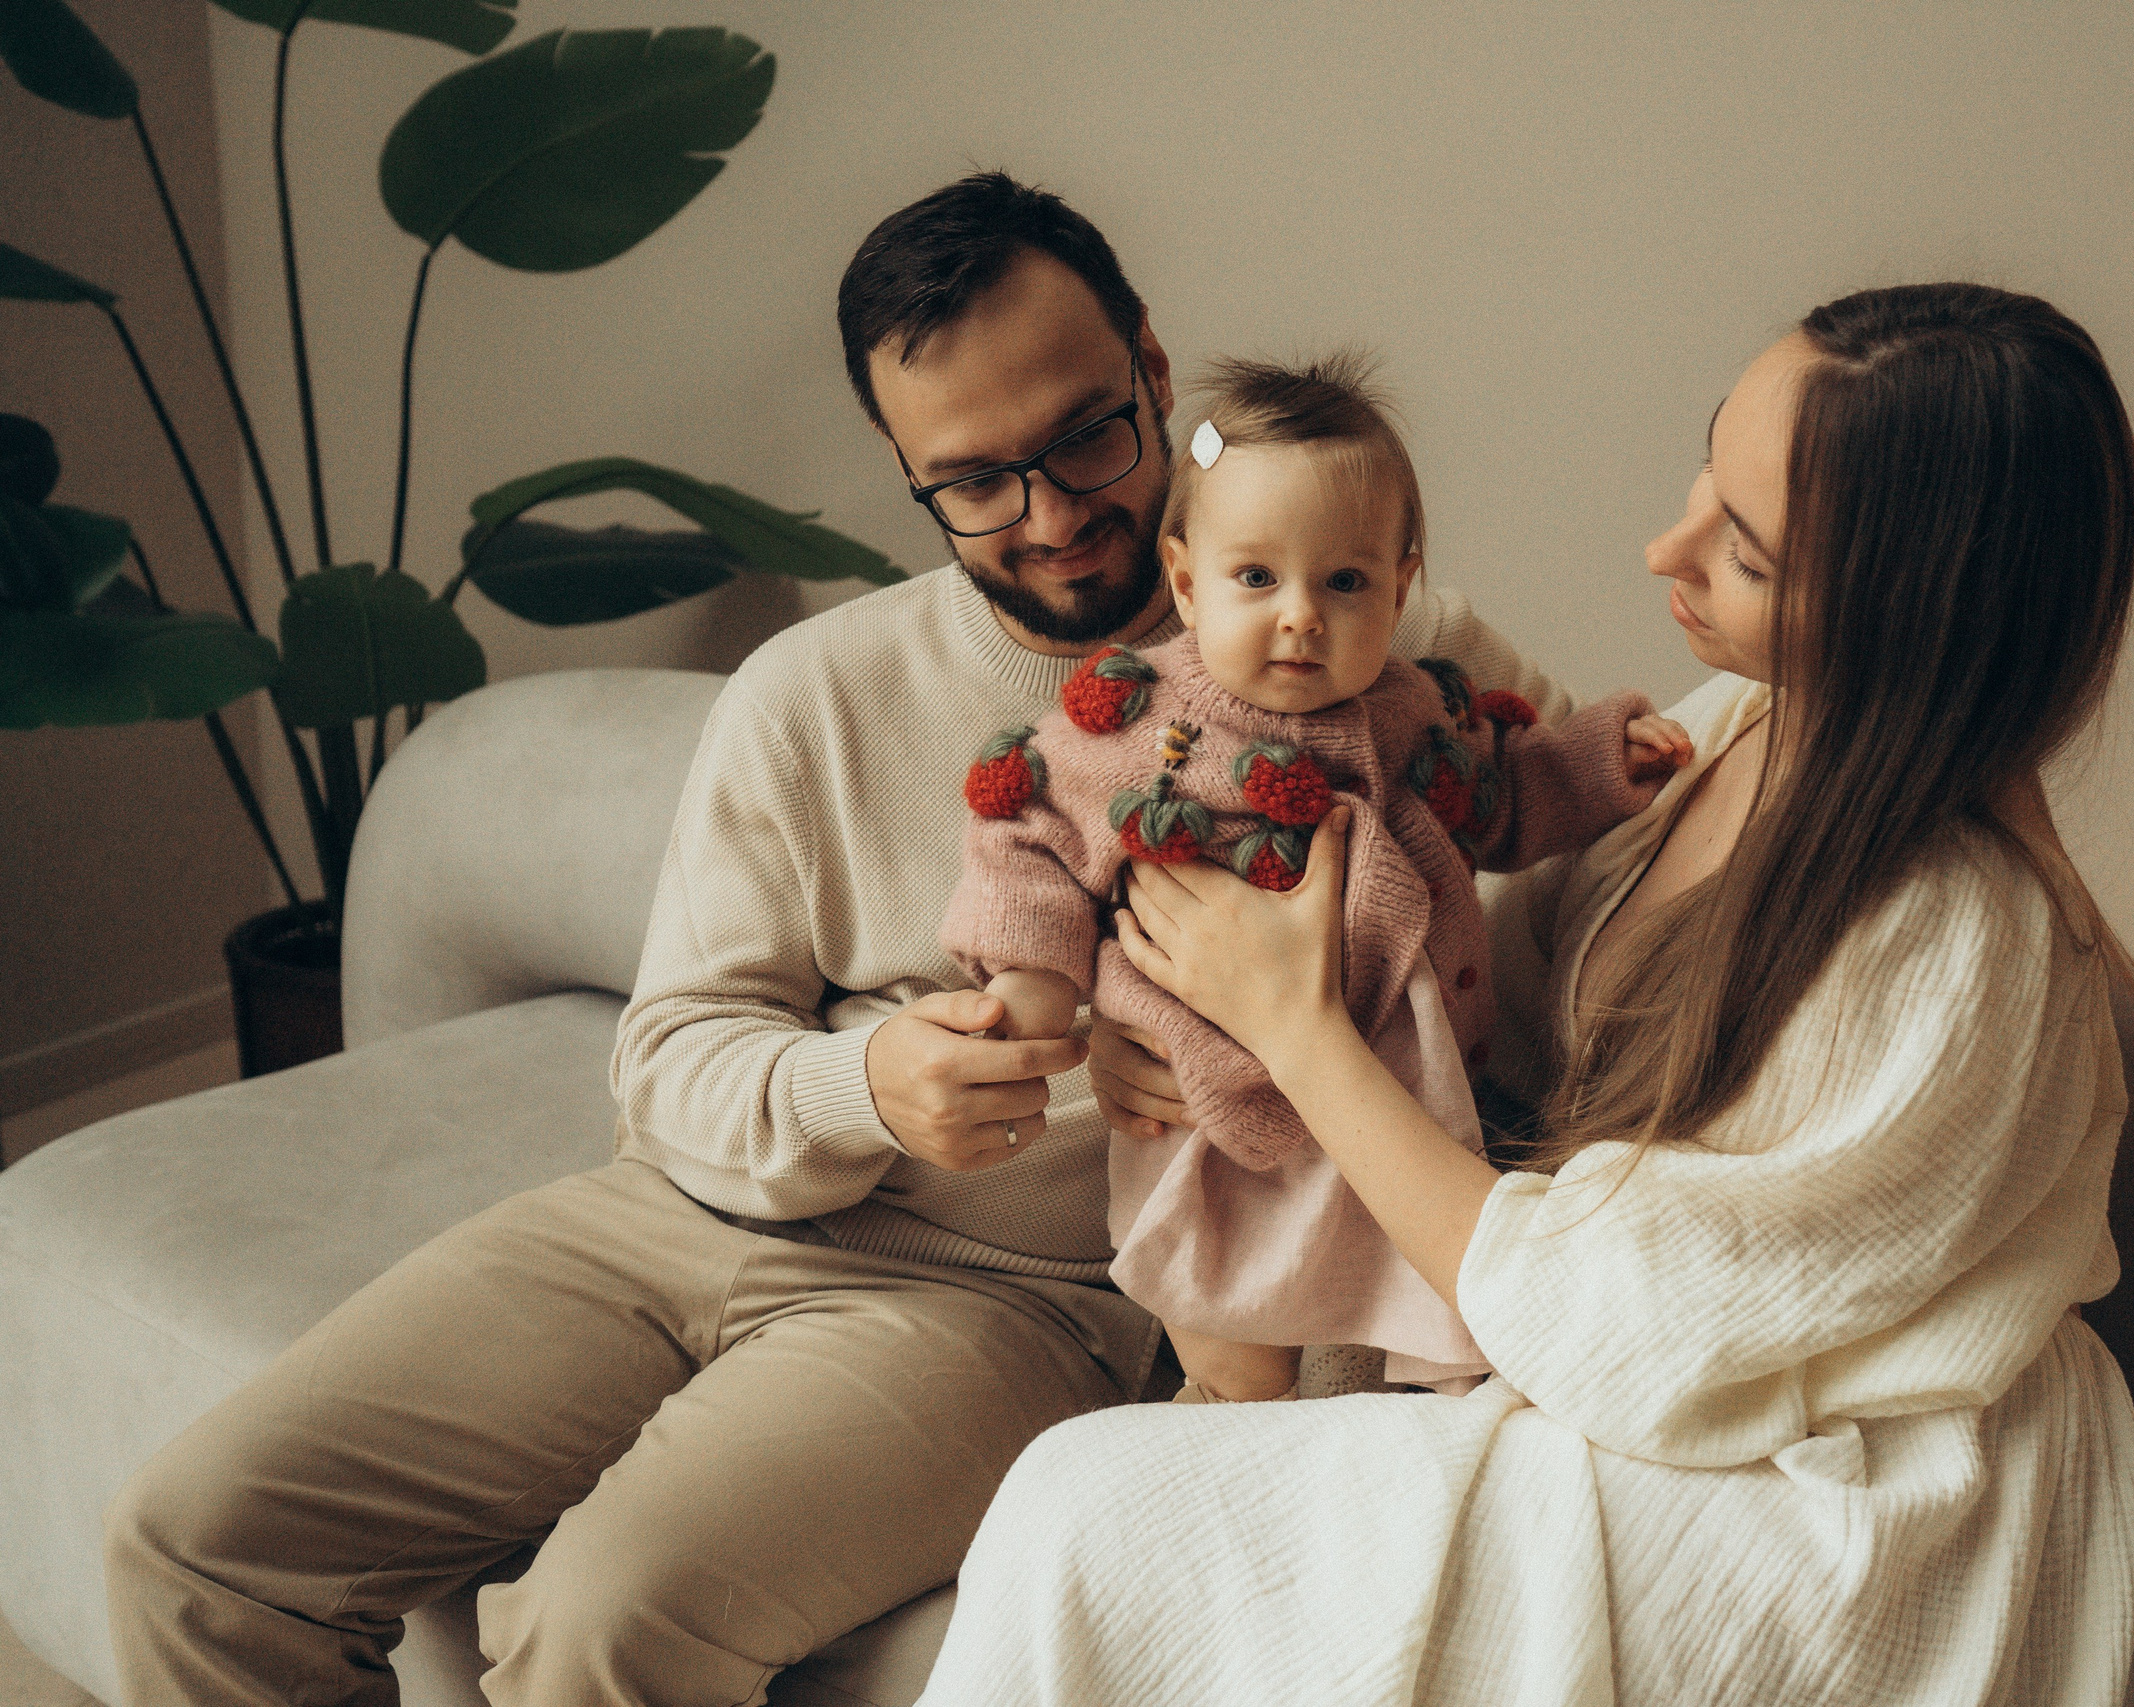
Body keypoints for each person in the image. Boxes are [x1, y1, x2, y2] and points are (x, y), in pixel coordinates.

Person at [98, 172, 1562, 1706]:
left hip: (998, 1296)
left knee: (599, 1621)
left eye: (1085, 436)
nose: (1052, 515)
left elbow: (1580, 840)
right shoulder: (809, 693)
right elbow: (669, 1053)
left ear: (1151, 363)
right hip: (668, 1218)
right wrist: (867, 1082)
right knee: (190, 1544)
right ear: (906, 467)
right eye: (977, 479)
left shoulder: (1383, 650)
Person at [916, 281, 2134, 1706]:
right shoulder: (1737, 726)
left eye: (1742, 550)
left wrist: (1294, 1032)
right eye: (1709, 472)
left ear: (1905, 615)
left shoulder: (1957, 936)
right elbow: (1463, 987)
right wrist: (1175, 1031)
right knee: (1096, 1494)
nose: (1664, 547)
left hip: (1826, 1483)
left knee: (1093, 1506)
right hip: (1627, 1345)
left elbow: (1634, 1315)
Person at [940, 353, 1690, 1404]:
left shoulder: (1416, 710)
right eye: (1257, 578)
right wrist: (1038, 986)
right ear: (1187, 581)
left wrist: (1601, 765)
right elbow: (1027, 833)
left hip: (1393, 1091)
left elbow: (1500, 799)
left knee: (1425, 1309)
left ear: (1401, 584)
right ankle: (1228, 1415)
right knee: (1232, 1331)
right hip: (1210, 1108)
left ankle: (1397, 1438)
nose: (1301, 616)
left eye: (1344, 582)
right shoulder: (1132, 725)